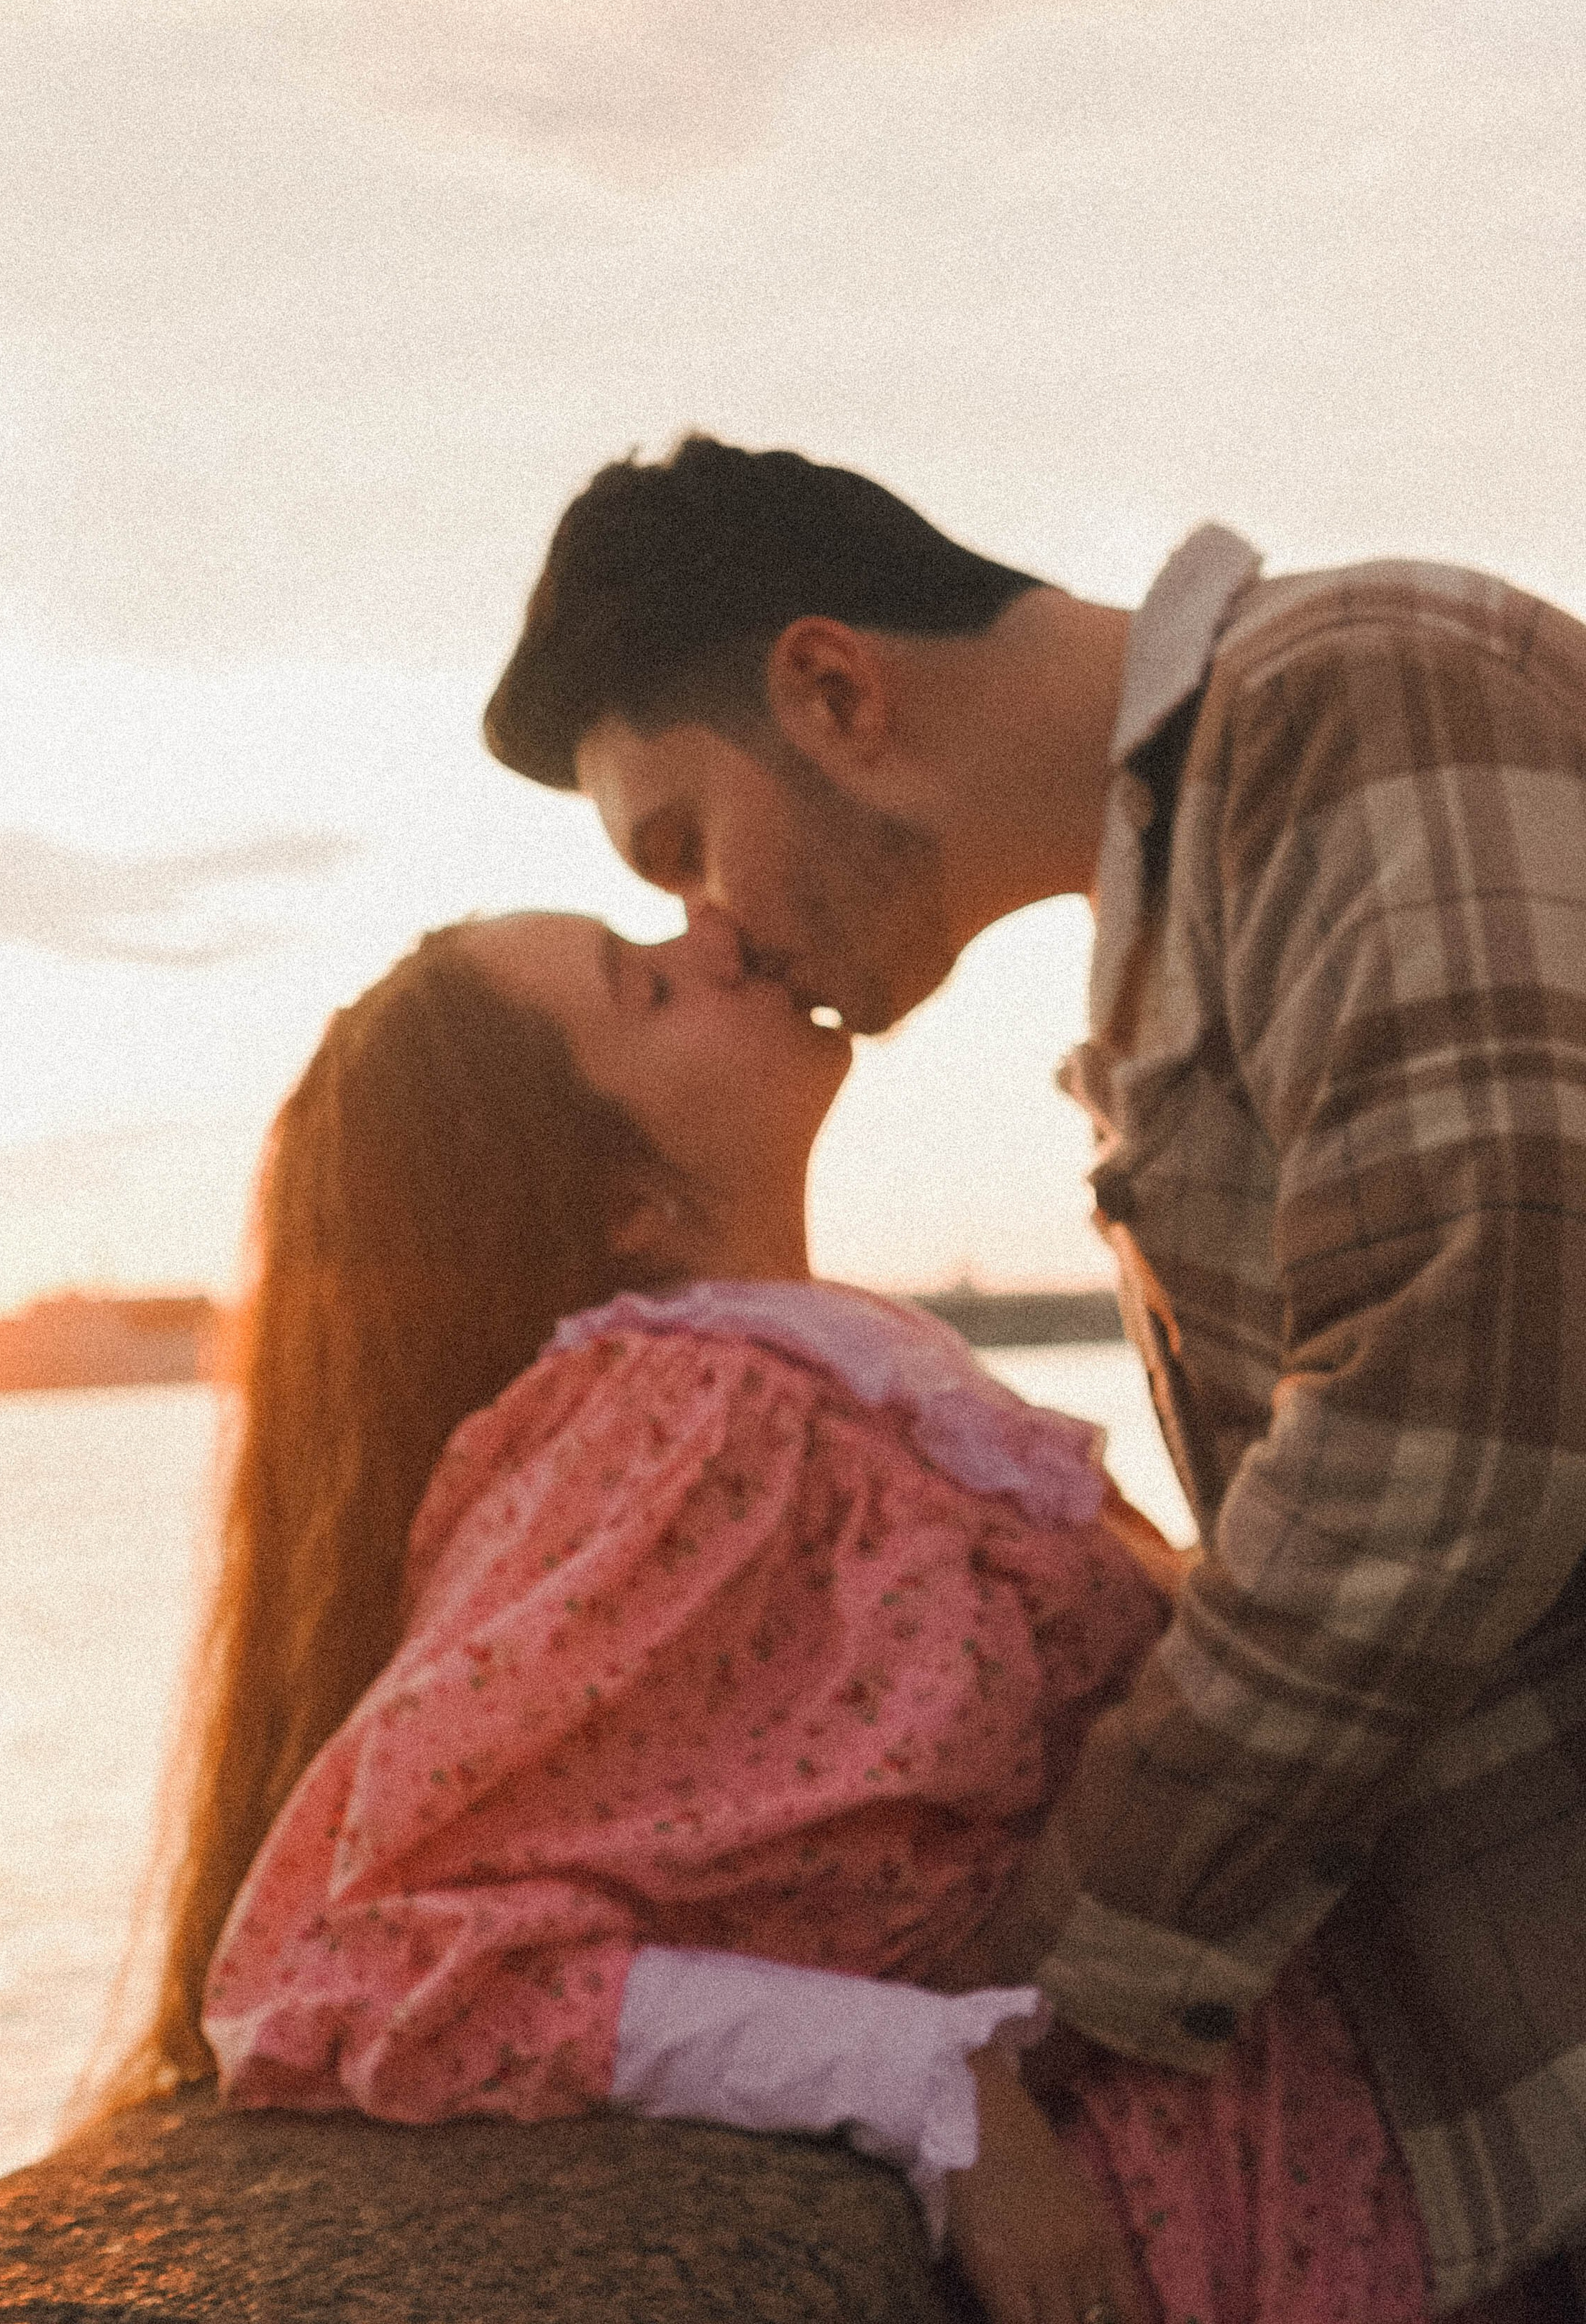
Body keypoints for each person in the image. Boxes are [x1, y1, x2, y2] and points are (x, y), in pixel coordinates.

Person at [481, 434, 1586, 2318]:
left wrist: (1017, 1996)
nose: (714, 932)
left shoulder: (1353, 690)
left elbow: (1460, 1416)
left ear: (831, 689)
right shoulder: (1183, 901)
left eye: (680, 846)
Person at [117, 908, 1454, 2324]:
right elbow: (342, 1967)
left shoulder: (825, 1380)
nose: (714, 938)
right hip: (1176, 2225)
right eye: (645, 987)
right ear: (626, 1202)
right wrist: (912, 2076)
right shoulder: (677, 1420)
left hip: (1296, 2155)